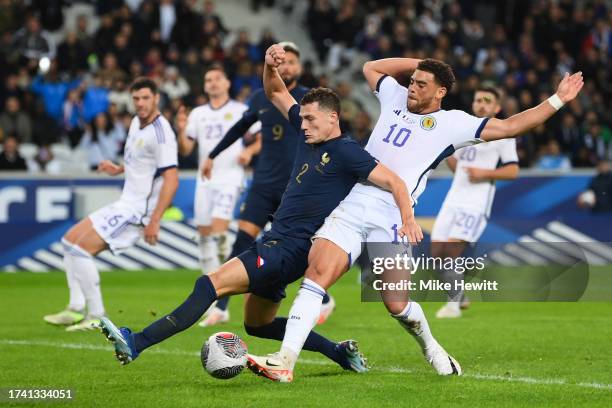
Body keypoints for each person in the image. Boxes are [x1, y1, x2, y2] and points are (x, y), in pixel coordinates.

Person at [247, 56, 583, 382]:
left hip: (394, 212)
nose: (411, 87)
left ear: (440, 92)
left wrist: (558, 99)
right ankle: (285, 361)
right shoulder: (393, 94)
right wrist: (419, 62)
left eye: (421, 84)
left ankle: (431, 347)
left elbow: (511, 125)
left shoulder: (454, 123)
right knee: (316, 275)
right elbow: (370, 67)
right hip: (353, 202)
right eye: (411, 81)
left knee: (396, 304)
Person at [97, 44, 420, 378]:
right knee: (258, 324)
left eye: (310, 119)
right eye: (302, 118)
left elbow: (395, 182)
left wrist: (407, 221)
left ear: (332, 117)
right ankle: (339, 353)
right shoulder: (308, 135)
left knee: (208, 285)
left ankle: (136, 342)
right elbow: (275, 89)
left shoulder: (349, 152)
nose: (303, 124)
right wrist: (269, 64)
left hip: (288, 248)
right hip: (280, 245)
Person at [201, 42, 336, 326]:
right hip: (263, 183)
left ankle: (323, 297)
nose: (286, 67)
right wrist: (213, 154)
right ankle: (222, 307)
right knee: (242, 241)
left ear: (299, 67)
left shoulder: (308, 101)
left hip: (295, 187)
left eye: (292, 63)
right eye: (282, 62)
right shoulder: (262, 98)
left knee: (306, 248)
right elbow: (240, 127)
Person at [43, 78, 179, 331]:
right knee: (68, 241)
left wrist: (155, 220)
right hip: (125, 202)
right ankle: (75, 308)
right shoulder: (137, 124)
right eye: (136, 98)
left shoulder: (162, 133)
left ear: (157, 98)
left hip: (138, 212)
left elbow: (172, 178)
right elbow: (142, 163)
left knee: (81, 250)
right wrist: (118, 169)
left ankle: (96, 315)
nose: (140, 103)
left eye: (145, 98)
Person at [175, 66, 260, 327]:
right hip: (205, 180)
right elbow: (186, 148)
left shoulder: (239, 109)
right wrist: (180, 129)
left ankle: (222, 296)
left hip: (230, 178)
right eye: (207, 80)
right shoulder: (198, 114)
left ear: (227, 83)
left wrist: (250, 152)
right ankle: (212, 299)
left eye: (216, 79)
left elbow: (261, 136)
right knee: (204, 237)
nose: (211, 83)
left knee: (219, 233)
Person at [430, 87, 519, 319]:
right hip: (453, 199)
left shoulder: (503, 134)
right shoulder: (465, 132)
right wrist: (447, 152)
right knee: (436, 253)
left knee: (450, 251)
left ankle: (452, 306)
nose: (481, 104)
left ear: (496, 108)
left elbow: (512, 171)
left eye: (487, 100)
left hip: (475, 203)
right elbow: (457, 166)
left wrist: (484, 172)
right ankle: (460, 297)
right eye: (477, 99)